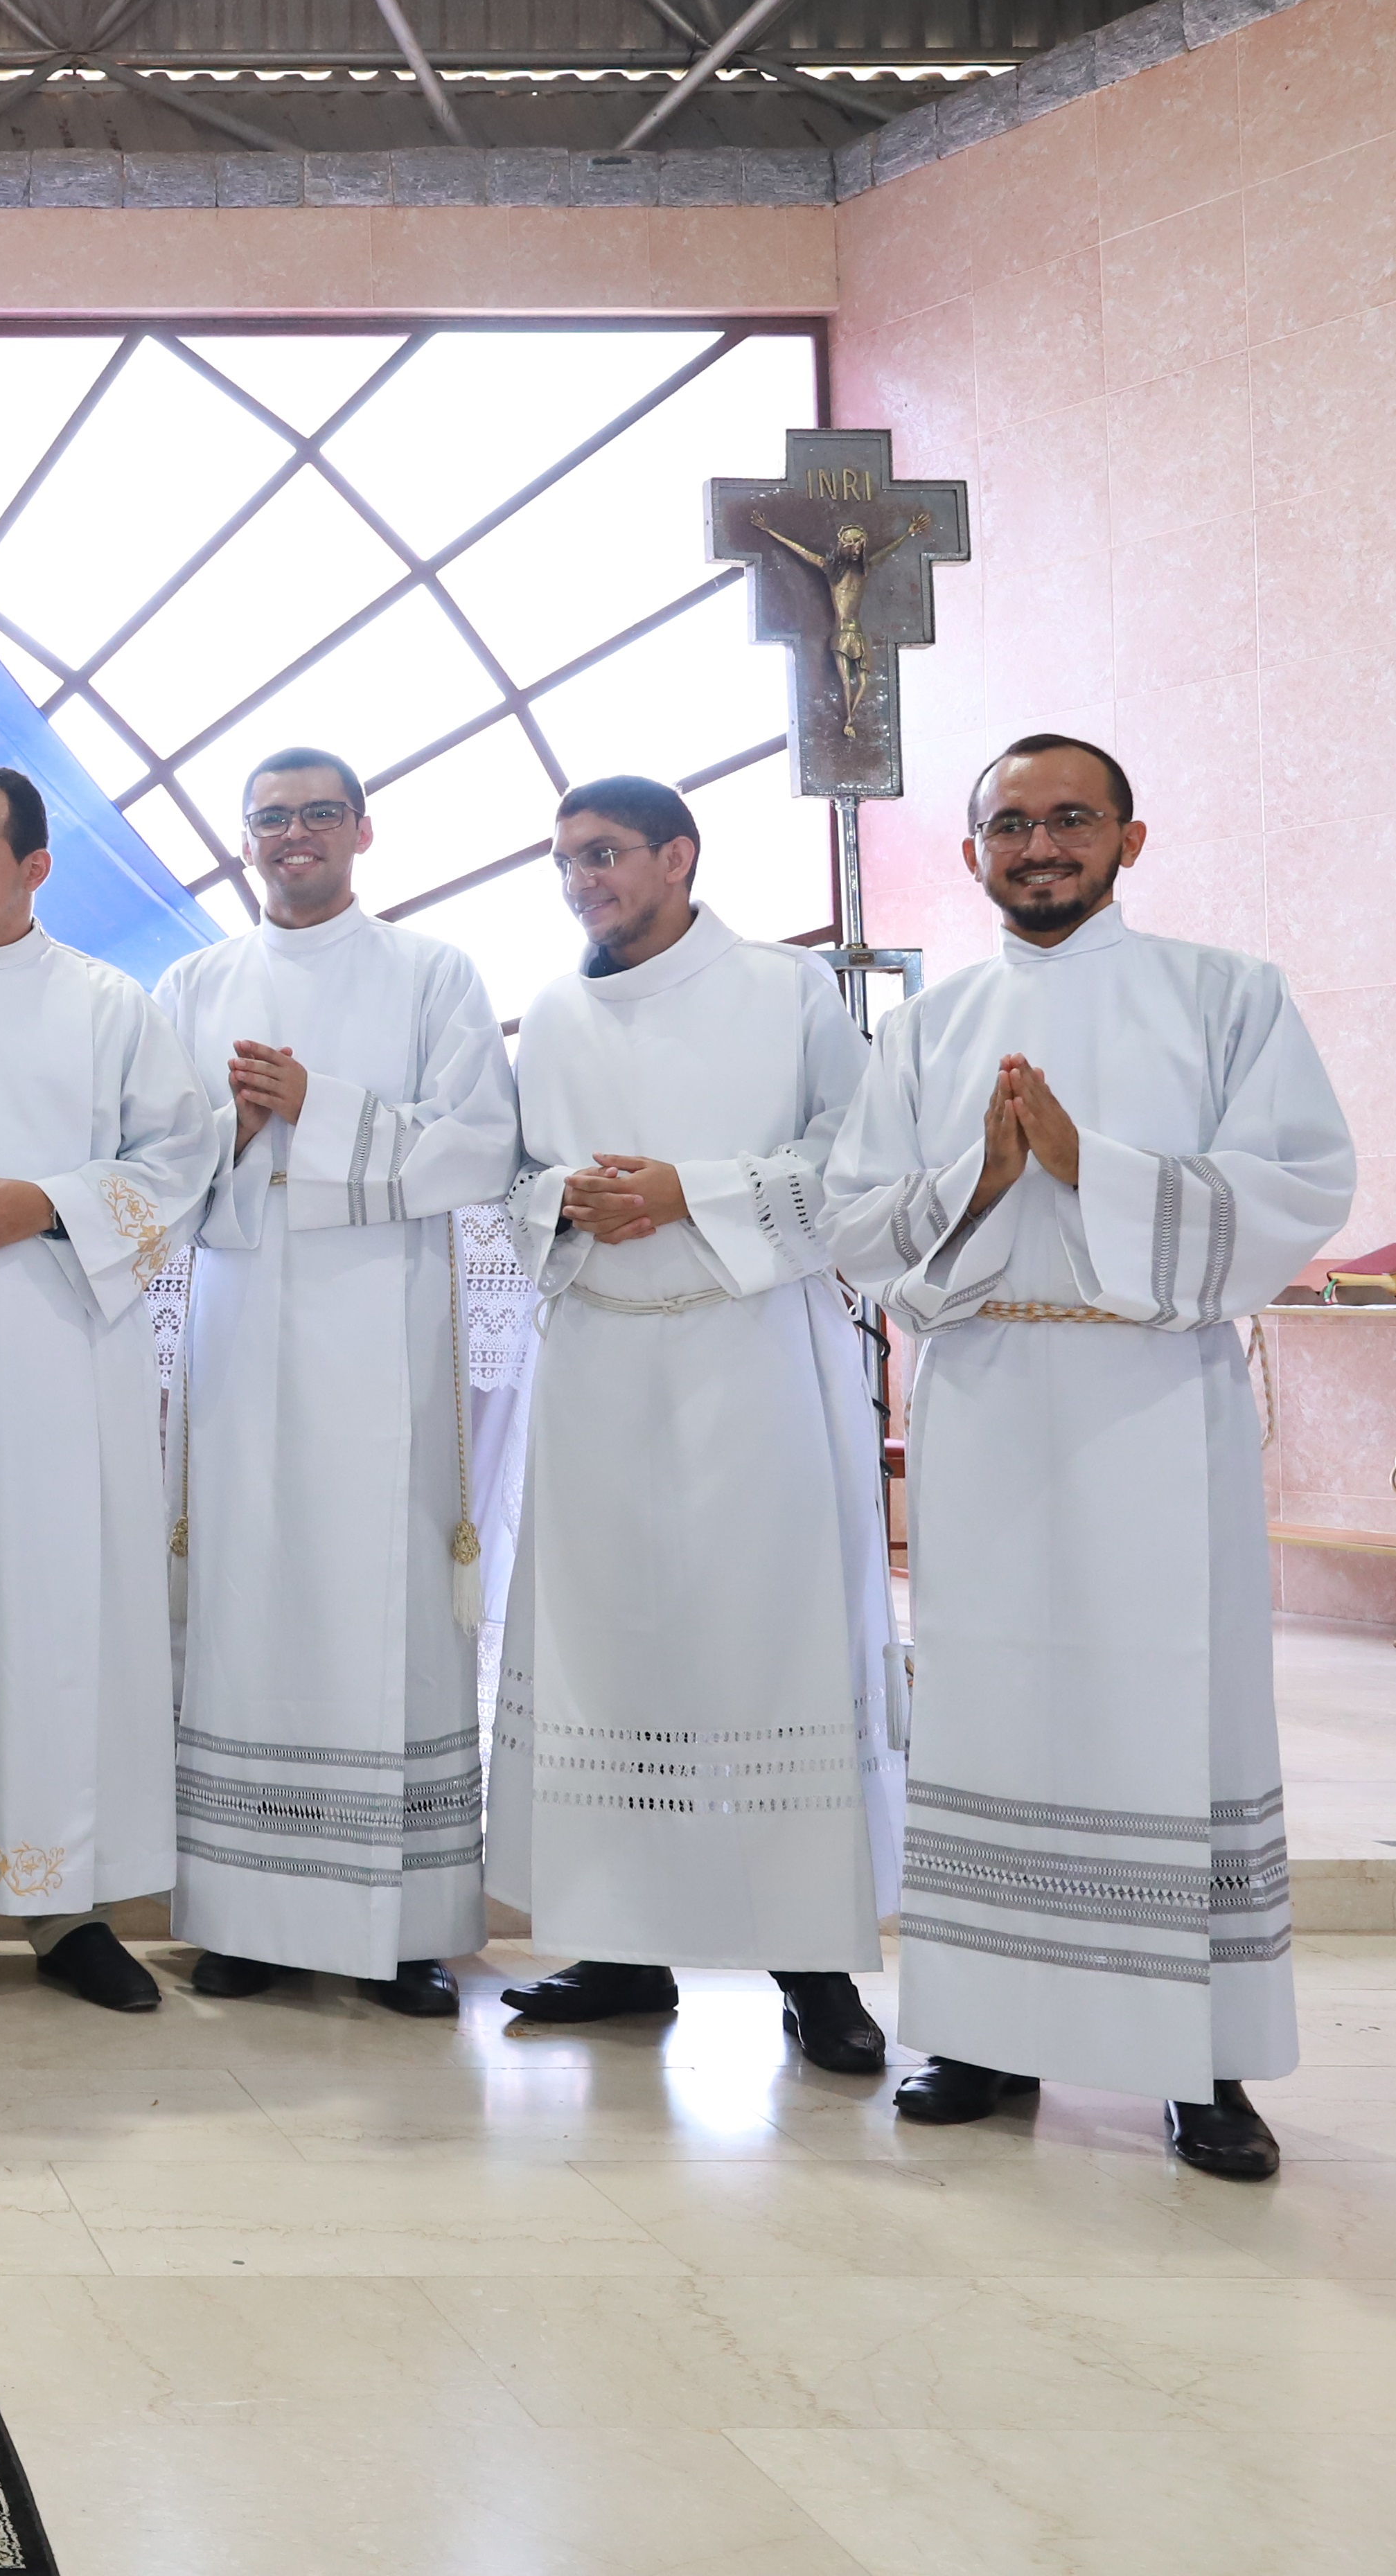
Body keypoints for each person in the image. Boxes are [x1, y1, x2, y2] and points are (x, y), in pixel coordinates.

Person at [827, 736, 1353, 2179]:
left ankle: (1202, 2063)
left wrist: (1086, 1166)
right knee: (993, 1709)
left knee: (1174, 1714)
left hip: (1154, 1402)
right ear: (972, 852)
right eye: (1010, 824)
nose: (1040, 844)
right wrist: (984, 1176)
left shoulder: (1228, 995)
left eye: (1071, 818)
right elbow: (855, 1222)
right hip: (988, 1396)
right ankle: (986, 2032)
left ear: (1131, 838)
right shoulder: (929, 1029)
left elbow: (1302, 1185)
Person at [485, 779, 897, 2071]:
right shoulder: (554, 1013)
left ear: (679, 857)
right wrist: (563, 1202)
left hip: (750, 1356)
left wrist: (692, 1193)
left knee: (766, 1646)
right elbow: (510, 1180)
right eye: (566, 861)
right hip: (599, 1361)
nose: (582, 882)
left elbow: (862, 1157)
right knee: (612, 1650)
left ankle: (814, 1969)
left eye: (604, 855)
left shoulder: (786, 992)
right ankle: (618, 1946)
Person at [154, 747, 521, 2016]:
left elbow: (482, 1149)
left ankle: (404, 1929)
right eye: (271, 818)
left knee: (389, 1604)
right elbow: (155, 1165)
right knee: (248, 1592)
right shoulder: (193, 984)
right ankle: (246, 1915)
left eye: (319, 814)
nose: (294, 835)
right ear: (244, 838)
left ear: (363, 830)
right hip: (244, 1327)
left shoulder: (433, 974)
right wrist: (240, 1132)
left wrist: (318, 1105)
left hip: (385, 1332)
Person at [0, 766, 222, 2015]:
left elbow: (180, 1156)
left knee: (64, 1618)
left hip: (65, 1356)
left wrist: (52, 1204)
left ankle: (69, 1908)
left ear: (35, 868)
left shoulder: (108, 1004)